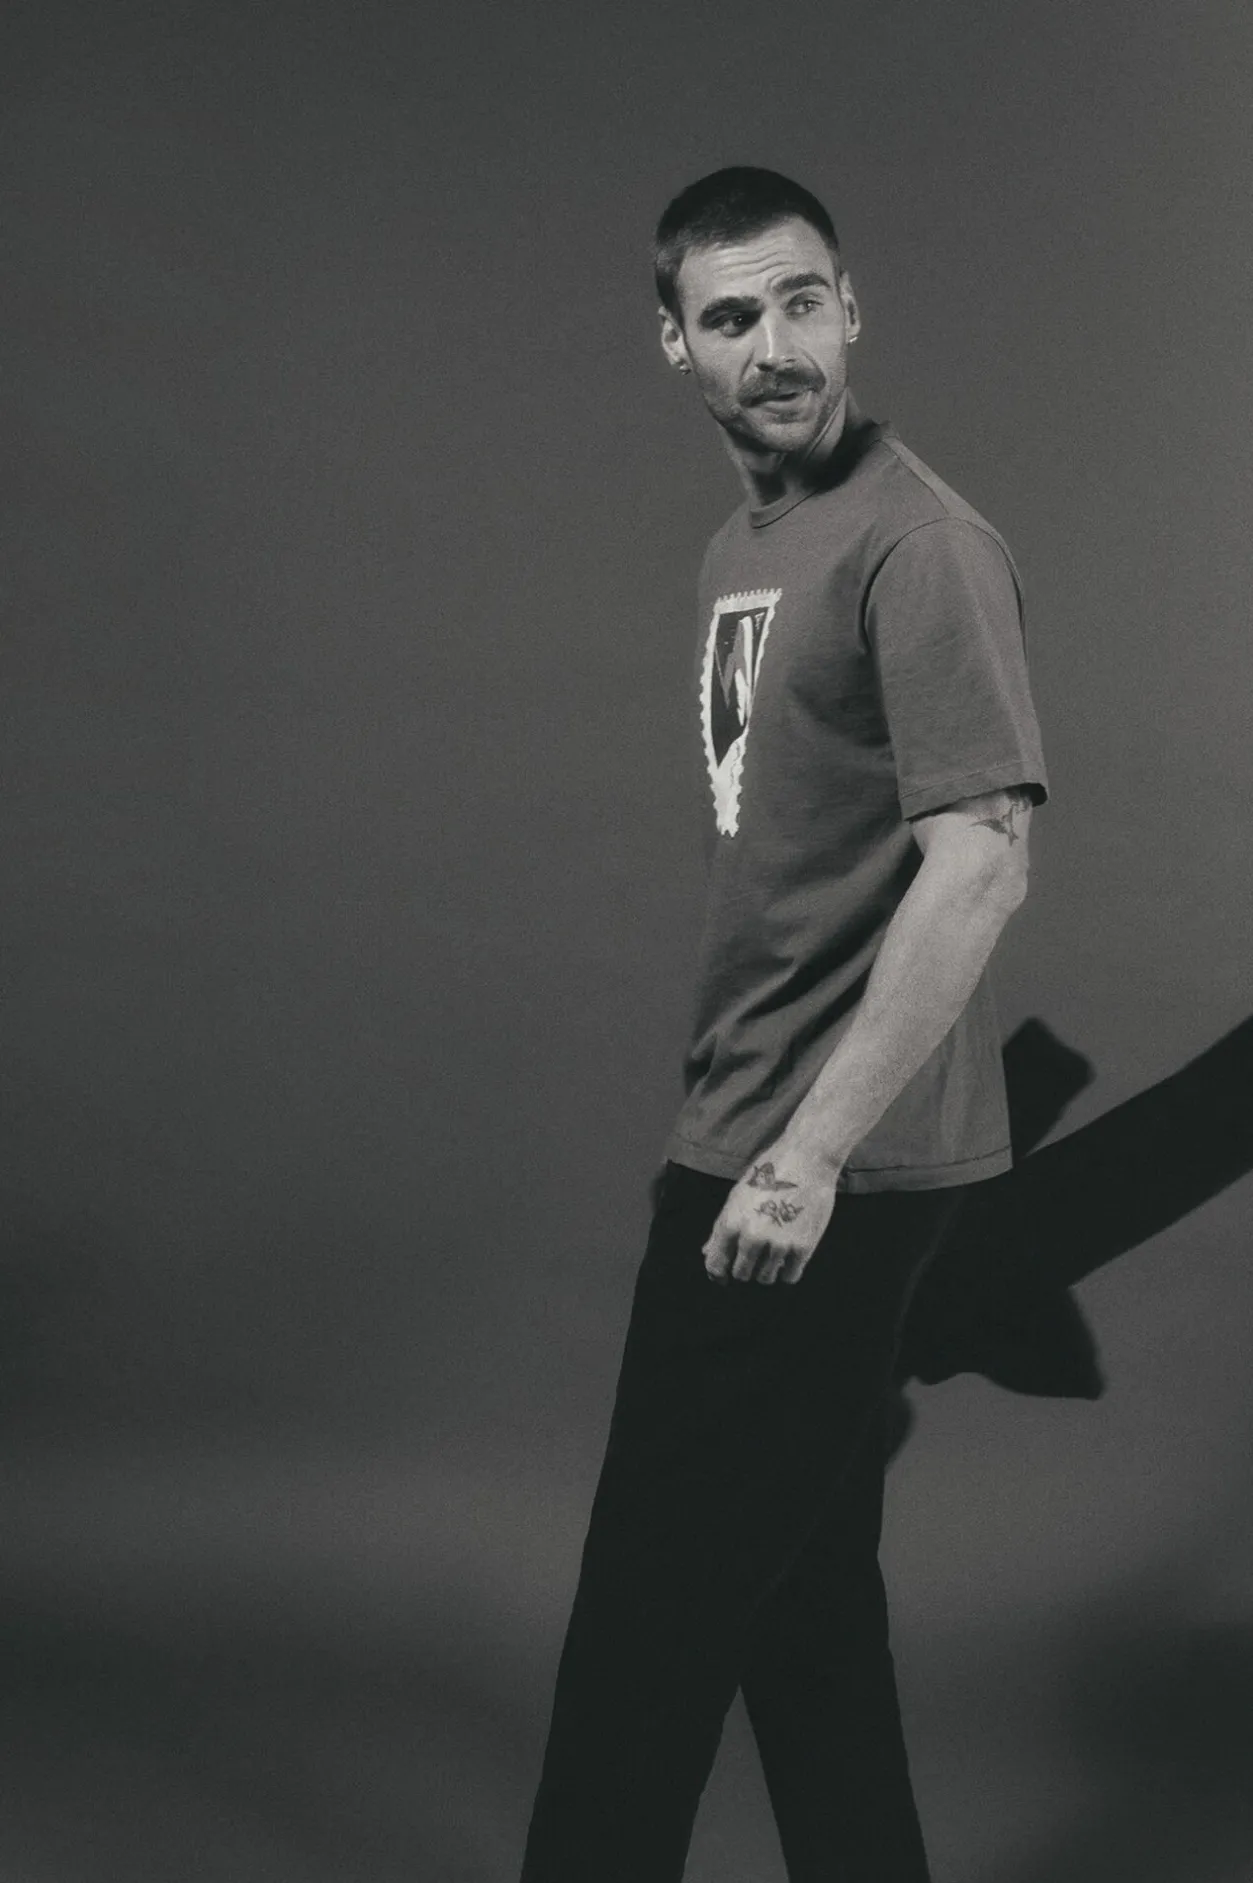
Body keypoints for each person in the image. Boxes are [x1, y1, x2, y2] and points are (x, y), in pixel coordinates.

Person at [518, 166, 1049, 1883]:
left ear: (852, 306)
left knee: (645, 1623)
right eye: (733, 316)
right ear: (675, 345)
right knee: (802, 1609)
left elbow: (982, 861)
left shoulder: (920, 543)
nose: (779, 347)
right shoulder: (746, 549)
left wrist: (806, 1157)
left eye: (804, 301)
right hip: (750, 1127)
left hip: (822, 1169)